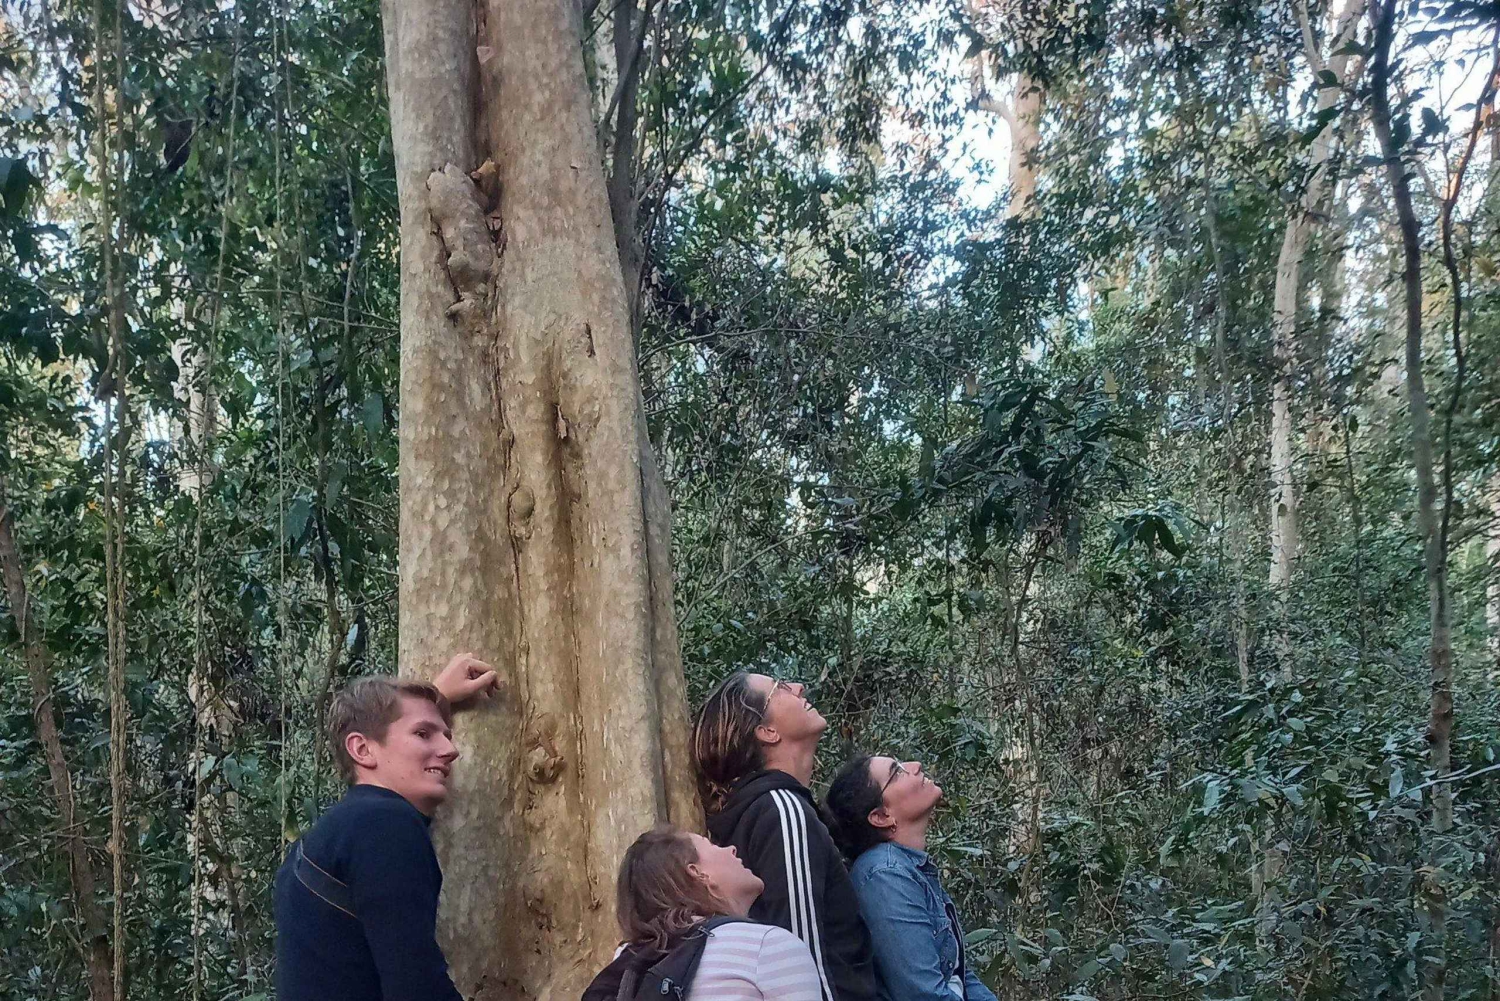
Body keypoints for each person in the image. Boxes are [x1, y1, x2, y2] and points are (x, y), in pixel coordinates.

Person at [274, 653, 498, 1001]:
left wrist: (436, 698)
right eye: (423, 733)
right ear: (362, 749)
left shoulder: (335, 834)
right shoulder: (384, 824)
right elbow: (416, 985)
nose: (450, 749)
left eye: (446, 735)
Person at [691, 671, 884, 1001]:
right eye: (780, 688)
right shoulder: (781, 810)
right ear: (767, 732)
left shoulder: (763, 809)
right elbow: (802, 955)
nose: (798, 687)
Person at [823, 755, 998, 1001]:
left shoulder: (909, 868)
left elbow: (958, 975)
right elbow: (924, 995)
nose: (915, 766)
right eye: (897, 772)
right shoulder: (885, 874)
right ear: (881, 816)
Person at [583, 824, 823, 1001]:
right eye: (714, 846)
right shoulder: (767, 945)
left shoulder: (628, 961)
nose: (731, 849)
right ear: (698, 873)